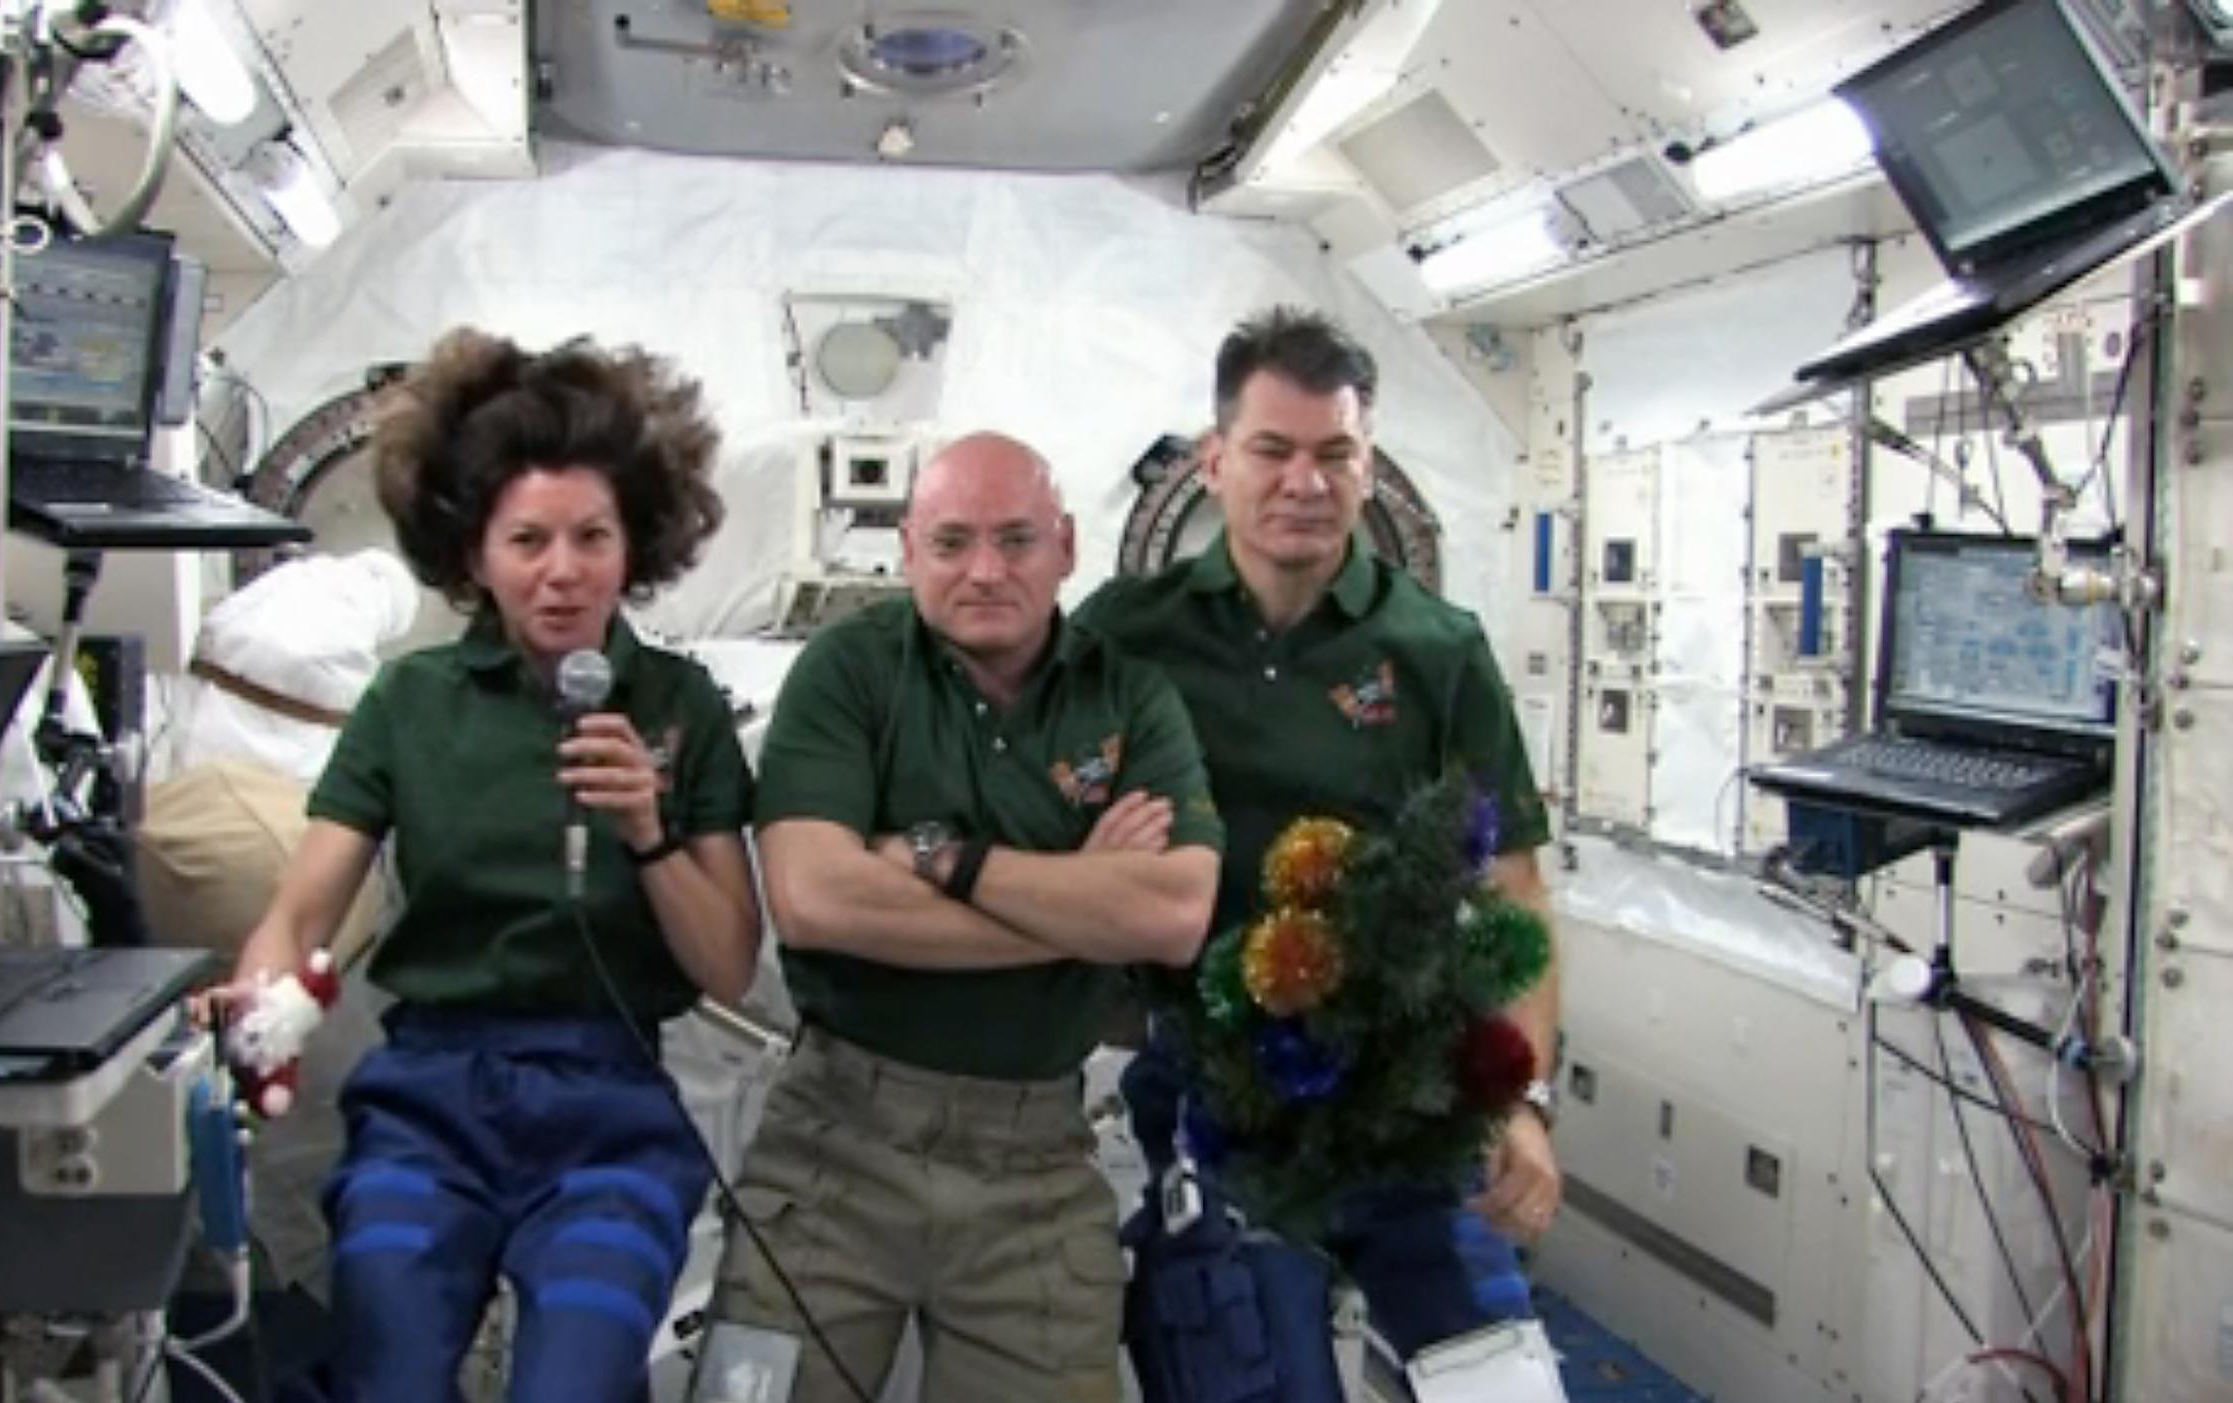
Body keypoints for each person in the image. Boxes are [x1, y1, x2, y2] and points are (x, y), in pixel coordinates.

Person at [210, 328, 762, 1403]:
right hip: (430, 1103)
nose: (561, 571)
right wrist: (259, 1000)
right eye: (528, 539)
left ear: (634, 544)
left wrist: (646, 827)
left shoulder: (678, 707)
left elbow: (729, 966)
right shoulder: (410, 703)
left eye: (590, 537)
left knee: (579, 1375)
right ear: (473, 554)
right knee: (392, 1364)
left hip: (610, 1108)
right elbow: (299, 912)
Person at [1076, 307, 1563, 1362]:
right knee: (1252, 1361)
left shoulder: (1435, 649)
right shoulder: (1124, 634)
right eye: (1271, 450)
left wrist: (1520, 1100)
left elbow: (1516, 889)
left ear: (1367, 464)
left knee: (1498, 1376)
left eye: (1333, 452)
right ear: (1213, 462)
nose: (1304, 480)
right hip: (1215, 1091)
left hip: (1409, 1094)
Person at [698, 432, 1224, 1403]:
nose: (985, 569)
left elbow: (1174, 914)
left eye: (1016, 539)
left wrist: (945, 858)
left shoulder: (1129, 695)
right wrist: (1082, 897)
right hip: (835, 1141)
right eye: (951, 542)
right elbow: (816, 899)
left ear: (1066, 546)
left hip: (1036, 1161)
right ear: (907, 550)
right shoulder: (848, 671)